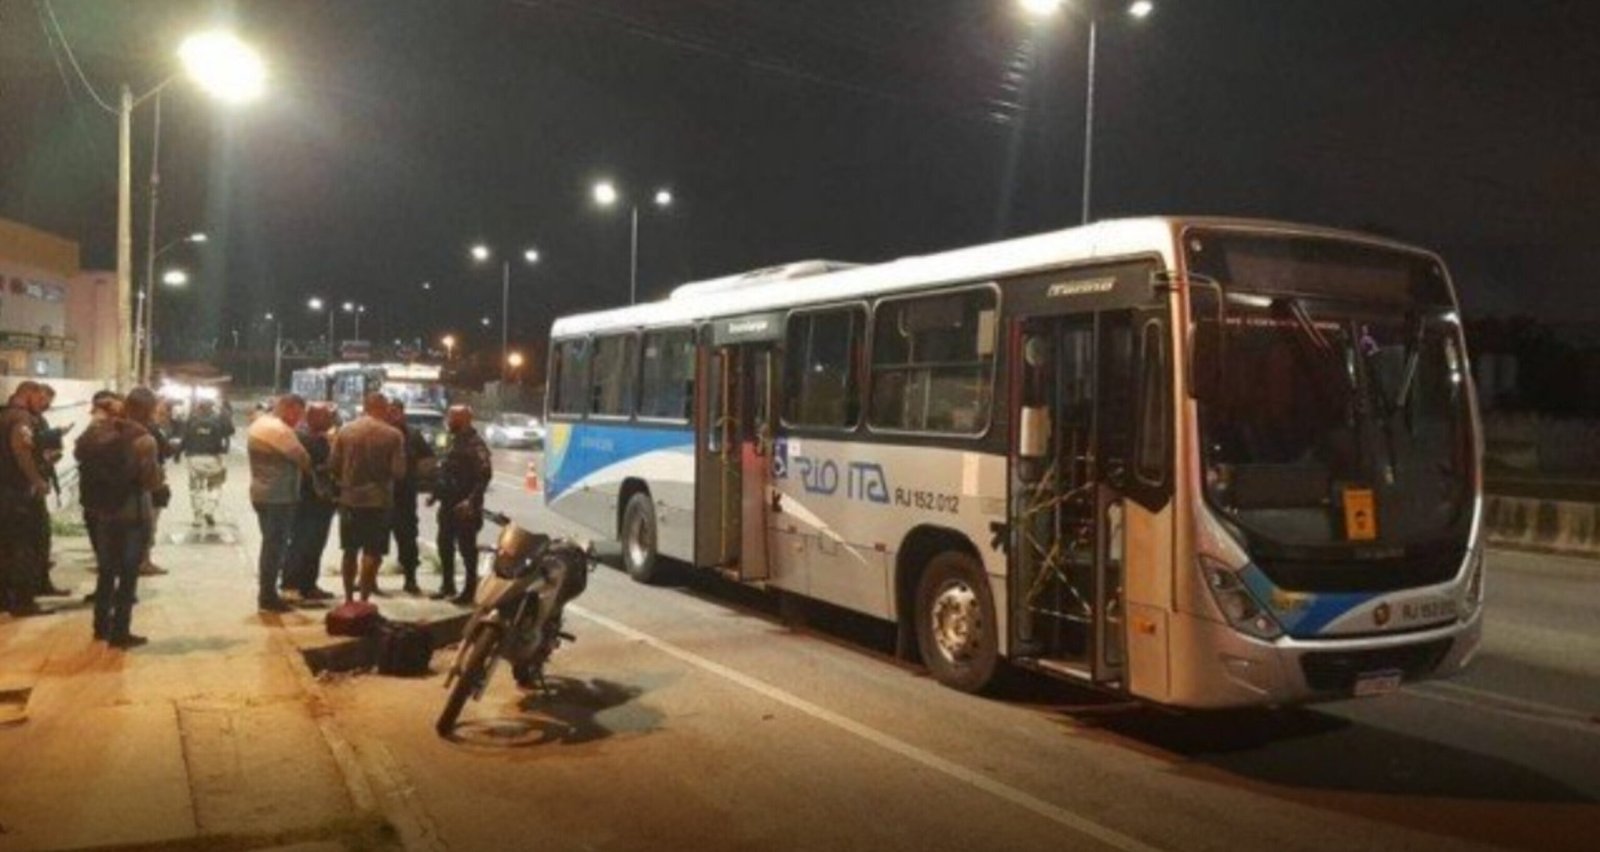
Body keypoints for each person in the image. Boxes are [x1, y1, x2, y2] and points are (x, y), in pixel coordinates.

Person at [78, 387, 164, 648]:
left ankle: (100, 626)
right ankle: (120, 632)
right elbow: (151, 481)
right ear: (148, 410)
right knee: (128, 574)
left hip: (101, 509)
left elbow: (78, 454)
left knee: (106, 570)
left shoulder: (97, 430)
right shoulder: (144, 439)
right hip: (132, 511)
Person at [327, 393, 405, 603]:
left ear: (365, 406)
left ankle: (348, 599)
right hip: (378, 501)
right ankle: (364, 599)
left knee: (349, 550)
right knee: (372, 551)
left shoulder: (345, 431)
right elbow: (399, 472)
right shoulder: (393, 435)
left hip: (350, 499)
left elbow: (333, 465)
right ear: (383, 408)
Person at [248, 394, 312, 613]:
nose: (299, 420)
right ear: (290, 408)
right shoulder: (279, 430)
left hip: (260, 493)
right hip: (279, 496)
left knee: (270, 545)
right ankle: (268, 595)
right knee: (274, 548)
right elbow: (303, 458)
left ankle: (267, 592)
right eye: (299, 414)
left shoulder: (259, 424)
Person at [0, 381, 52, 616]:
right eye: (40, 398)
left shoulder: (3, 415)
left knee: (6, 546)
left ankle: (5, 599)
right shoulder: (21, 418)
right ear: (28, 394)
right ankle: (23, 601)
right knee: (24, 545)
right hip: (18, 493)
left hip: (4, 491)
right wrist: (36, 480)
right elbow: (21, 450)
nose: (43, 403)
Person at [431, 404, 491, 605]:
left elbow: (484, 475)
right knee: (444, 544)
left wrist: (471, 501)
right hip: (447, 503)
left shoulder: (476, 444)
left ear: (465, 419)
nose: (448, 420)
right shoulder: (449, 439)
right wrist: (435, 494)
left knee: (467, 549)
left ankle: (469, 589)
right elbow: (444, 468)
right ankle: (447, 585)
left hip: (465, 507)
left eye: (452, 417)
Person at [285, 403, 338, 601]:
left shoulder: (304, 436)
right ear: (313, 418)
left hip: (313, 500)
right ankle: (293, 584)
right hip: (311, 500)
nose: (332, 420)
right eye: (327, 417)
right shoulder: (311, 440)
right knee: (304, 543)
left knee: (313, 544)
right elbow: (329, 465)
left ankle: (308, 585)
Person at [386, 398, 434, 595]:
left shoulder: (412, 435)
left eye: (396, 411)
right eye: (389, 411)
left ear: (402, 413)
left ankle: (410, 579)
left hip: (405, 496)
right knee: (374, 541)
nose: (392, 415)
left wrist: (416, 476)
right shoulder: (380, 434)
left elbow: (428, 458)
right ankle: (367, 581)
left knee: (407, 538)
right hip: (381, 497)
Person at [178, 399, 234, 527]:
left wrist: (177, 453)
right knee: (215, 485)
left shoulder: (192, 420)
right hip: (214, 458)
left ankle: (197, 517)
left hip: (194, 458)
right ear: (212, 408)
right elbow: (230, 431)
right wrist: (224, 413)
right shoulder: (218, 420)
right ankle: (209, 510)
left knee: (195, 489)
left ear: (199, 408)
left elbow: (185, 438)